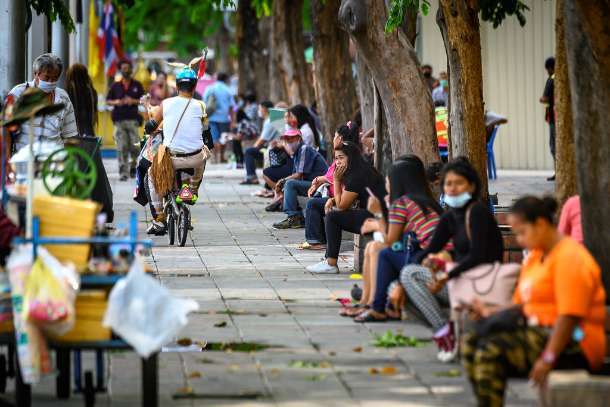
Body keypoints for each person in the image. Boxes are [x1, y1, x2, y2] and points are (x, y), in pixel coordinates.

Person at [463, 196, 606, 407]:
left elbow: (569, 317)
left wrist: (548, 358)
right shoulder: (536, 256)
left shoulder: (571, 258)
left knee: (491, 351)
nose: (519, 240)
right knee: (470, 342)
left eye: (522, 232)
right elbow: (524, 303)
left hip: (575, 341)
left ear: (540, 224)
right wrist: (489, 311)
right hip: (538, 331)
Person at [400, 157, 503, 361]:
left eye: (459, 183)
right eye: (448, 184)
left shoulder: (477, 212)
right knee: (402, 285)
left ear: (471, 186)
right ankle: (445, 332)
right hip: (459, 280)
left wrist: (447, 275)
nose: (453, 188)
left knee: (409, 275)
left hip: (481, 283)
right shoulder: (450, 217)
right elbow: (430, 249)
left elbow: (478, 256)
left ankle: (444, 332)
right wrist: (427, 263)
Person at [354, 157, 444, 322]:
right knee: (379, 249)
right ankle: (372, 303)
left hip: (426, 263)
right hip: (434, 259)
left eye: (388, 180)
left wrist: (378, 213)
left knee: (384, 253)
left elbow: (391, 242)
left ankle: (377, 308)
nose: (386, 184)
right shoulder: (427, 202)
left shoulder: (403, 203)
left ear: (396, 182)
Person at [145, 67, 211, 234]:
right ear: (194, 86)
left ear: (176, 86)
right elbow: (206, 131)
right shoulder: (201, 105)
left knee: (151, 176)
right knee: (204, 152)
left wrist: (149, 128)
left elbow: (152, 125)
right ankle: (192, 190)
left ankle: (159, 218)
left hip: (172, 159)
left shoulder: (166, 104)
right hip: (195, 160)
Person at [306, 141, 386, 274]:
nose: (337, 162)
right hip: (373, 214)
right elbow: (347, 198)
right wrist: (332, 199)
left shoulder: (357, 175)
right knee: (327, 210)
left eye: (341, 158)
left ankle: (331, 263)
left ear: (351, 157)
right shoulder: (360, 169)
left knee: (333, 217)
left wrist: (336, 180)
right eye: (336, 158)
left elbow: (342, 205)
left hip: (378, 218)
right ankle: (329, 260)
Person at [298, 122, 360, 250]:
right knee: (314, 200)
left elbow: (341, 196)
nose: (338, 161)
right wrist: (320, 181)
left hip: (344, 199)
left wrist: (331, 197)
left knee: (313, 204)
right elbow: (332, 175)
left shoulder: (348, 157)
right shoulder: (344, 154)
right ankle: (318, 238)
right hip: (336, 196)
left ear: (340, 139)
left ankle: (316, 241)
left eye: (335, 136)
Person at [7, 53, 78, 150]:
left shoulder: (63, 97)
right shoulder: (18, 93)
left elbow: (69, 135)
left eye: (55, 78)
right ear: (35, 73)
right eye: (47, 77)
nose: (50, 82)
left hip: (54, 156)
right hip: (25, 156)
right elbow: (5, 131)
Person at [271, 128, 328, 229]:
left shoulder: (304, 149)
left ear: (299, 138)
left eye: (291, 138)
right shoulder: (297, 153)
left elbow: (298, 175)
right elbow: (297, 176)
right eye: (287, 139)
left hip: (321, 186)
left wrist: (282, 181)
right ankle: (298, 217)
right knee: (288, 185)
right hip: (313, 184)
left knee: (289, 184)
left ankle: (293, 217)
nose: (289, 141)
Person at [106, 59, 145, 181]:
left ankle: (133, 167)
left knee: (135, 146)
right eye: (123, 68)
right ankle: (123, 172)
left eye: (127, 68)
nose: (125, 70)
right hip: (119, 120)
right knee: (121, 147)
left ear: (131, 69)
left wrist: (133, 101)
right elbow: (108, 100)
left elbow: (144, 99)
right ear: (120, 70)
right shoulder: (115, 86)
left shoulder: (137, 85)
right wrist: (117, 102)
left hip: (133, 120)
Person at [240, 101, 279, 185]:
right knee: (251, 150)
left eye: (259, 108)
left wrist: (254, 147)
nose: (259, 111)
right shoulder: (272, 119)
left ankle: (252, 177)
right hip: (273, 147)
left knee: (249, 152)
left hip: (274, 149)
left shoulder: (269, 121)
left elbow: (262, 139)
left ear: (264, 109)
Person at [203, 72, 235, 163]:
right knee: (223, 138)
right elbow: (232, 106)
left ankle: (214, 157)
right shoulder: (228, 90)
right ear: (225, 79)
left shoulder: (210, 88)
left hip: (211, 117)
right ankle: (221, 156)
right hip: (224, 118)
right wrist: (233, 120)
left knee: (214, 138)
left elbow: (204, 101)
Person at [65, 63, 98, 137]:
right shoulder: (91, 91)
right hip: (88, 130)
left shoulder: (69, 91)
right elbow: (93, 113)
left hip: (73, 130)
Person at [540, 57, 555, 181]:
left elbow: (544, 98)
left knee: (553, 146)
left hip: (553, 118)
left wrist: (542, 99)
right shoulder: (559, 79)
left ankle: (558, 172)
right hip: (556, 117)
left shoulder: (551, 80)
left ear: (550, 68)